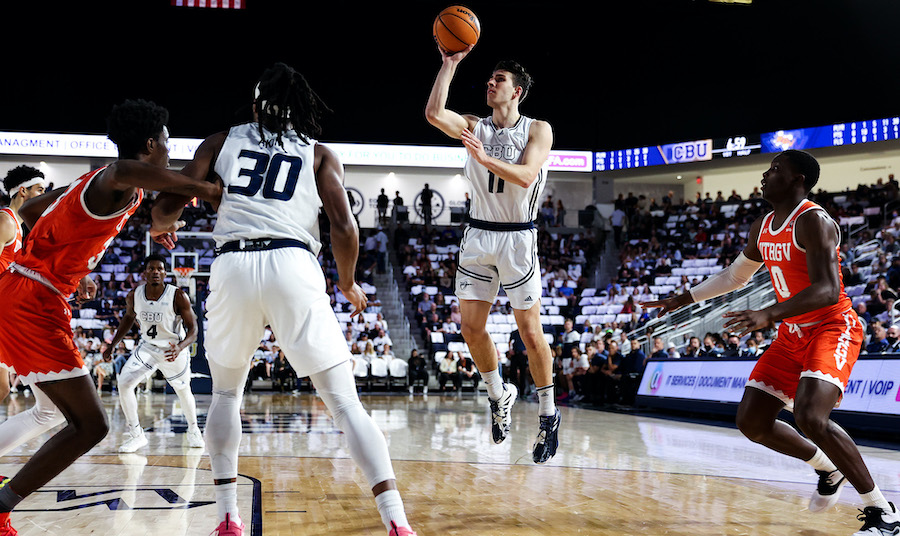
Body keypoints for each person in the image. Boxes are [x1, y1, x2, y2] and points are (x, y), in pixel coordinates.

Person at [151, 62, 416, 536]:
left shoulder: (219, 141)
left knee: (227, 393)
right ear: (301, 109)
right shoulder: (317, 153)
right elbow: (344, 225)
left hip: (232, 264)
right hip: (293, 263)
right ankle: (396, 521)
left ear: (254, 105)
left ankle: (227, 516)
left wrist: (168, 224)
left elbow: (166, 206)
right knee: (345, 404)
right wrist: (349, 281)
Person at [643, 150, 899, 535]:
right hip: (792, 332)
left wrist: (769, 313)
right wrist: (684, 298)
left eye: (775, 169)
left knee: (811, 417)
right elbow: (734, 277)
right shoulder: (763, 225)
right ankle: (827, 467)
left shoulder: (814, 221)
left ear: (798, 179)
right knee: (753, 422)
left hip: (832, 326)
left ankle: (883, 512)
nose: (765, 174)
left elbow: (828, 290)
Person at [0, 98, 222, 536]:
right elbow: (123, 172)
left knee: (55, 413)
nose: (169, 146)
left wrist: (69, 262)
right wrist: (207, 189)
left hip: (22, 289)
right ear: (149, 143)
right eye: (165, 139)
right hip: (34, 300)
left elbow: (27, 212)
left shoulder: (90, 179)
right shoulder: (115, 177)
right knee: (90, 425)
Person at [425, 43, 560, 464]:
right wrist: (448, 66)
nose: (490, 83)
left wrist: (484, 158)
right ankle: (498, 393)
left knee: (530, 332)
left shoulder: (538, 129)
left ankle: (548, 414)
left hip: (518, 238)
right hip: (478, 235)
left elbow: (525, 176)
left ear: (517, 91)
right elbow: (433, 114)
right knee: (470, 328)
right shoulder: (473, 125)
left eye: (499, 80)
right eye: (490, 79)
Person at [102, 254, 204, 453]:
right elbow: (128, 318)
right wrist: (113, 344)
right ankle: (136, 435)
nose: (155, 272)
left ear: (165, 273)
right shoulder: (134, 295)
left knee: (183, 391)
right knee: (124, 383)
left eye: (159, 269)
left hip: (172, 350)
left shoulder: (177, 295)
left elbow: (194, 330)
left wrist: (181, 347)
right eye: (151, 268)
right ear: (145, 272)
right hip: (148, 347)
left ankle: (193, 430)